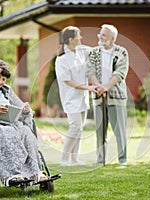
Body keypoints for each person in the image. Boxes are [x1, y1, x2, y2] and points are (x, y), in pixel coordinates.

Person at [55, 26, 97, 166]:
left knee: (80, 128)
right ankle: (64, 159)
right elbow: (68, 81)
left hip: (82, 97)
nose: (82, 38)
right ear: (70, 39)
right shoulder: (62, 60)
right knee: (75, 127)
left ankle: (74, 159)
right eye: (79, 36)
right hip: (71, 98)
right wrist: (88, 87)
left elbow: (95, 50)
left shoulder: (81, 51)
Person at [88, 24, 129, 166]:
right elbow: (90, 71)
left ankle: (122, 159)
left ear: (113, 38)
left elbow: (120, 73)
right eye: (100, 34)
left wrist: (106, 87)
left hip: (116, 97)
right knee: (100, 131)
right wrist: (99, 87)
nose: (99, 37)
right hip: (98, 97)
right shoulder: (93, 52)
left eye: (103, 35)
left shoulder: (121, 52)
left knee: (119, 131)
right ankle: (100, 159)